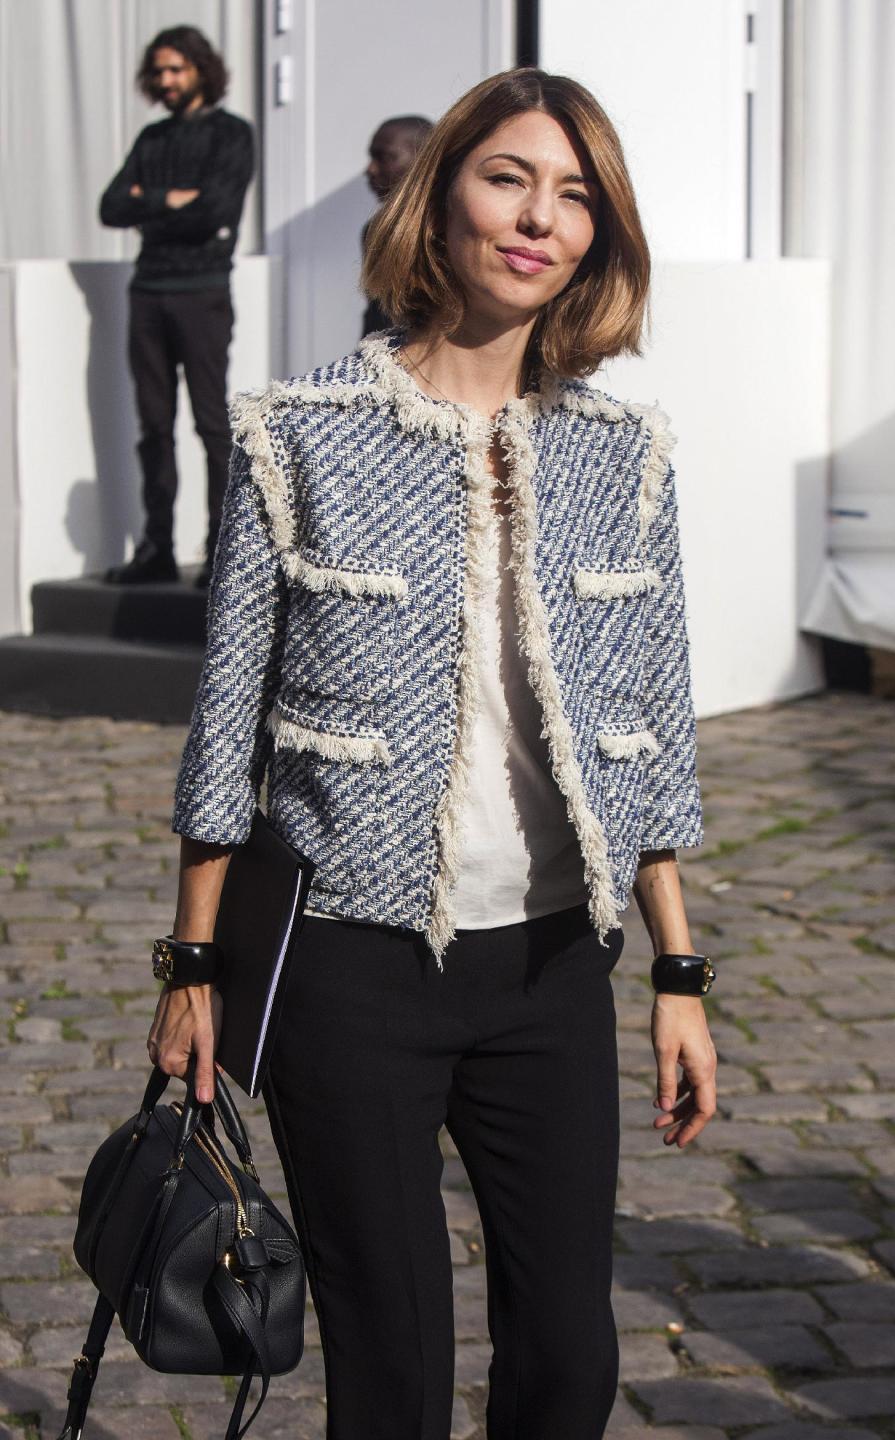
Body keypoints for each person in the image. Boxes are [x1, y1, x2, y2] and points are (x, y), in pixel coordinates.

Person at [149, 67, 718, 1440]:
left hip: (549, 967)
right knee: (391, 1367)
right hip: (351, 970)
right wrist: (189, 969)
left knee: (569, 1359)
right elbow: (227, 721)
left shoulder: (621, 454)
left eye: (577, 196)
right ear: (441, 192)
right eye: (510, 177)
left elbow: (651, 728)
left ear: (602, 236)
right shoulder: (300, 436)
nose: (540, 219)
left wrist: (680, 972)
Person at [99, 25, 254, 587]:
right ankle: (156, 548)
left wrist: (150, 205)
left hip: (203, 292)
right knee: (153, 426)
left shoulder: (232, 135)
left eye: (176, 70)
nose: (166, 81)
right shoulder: (152, 140)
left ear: (200, 71)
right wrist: (170, 199)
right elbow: (111, 207)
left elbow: (216, 209)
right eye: (159, 71)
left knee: (212, 424)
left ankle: (220, 551)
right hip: (148, 293)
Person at [361, 115, 433, 335]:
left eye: (384, 157)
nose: (370, 170)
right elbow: (377, 314)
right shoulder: (374, 229)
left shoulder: (446, 232)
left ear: (423, 159)